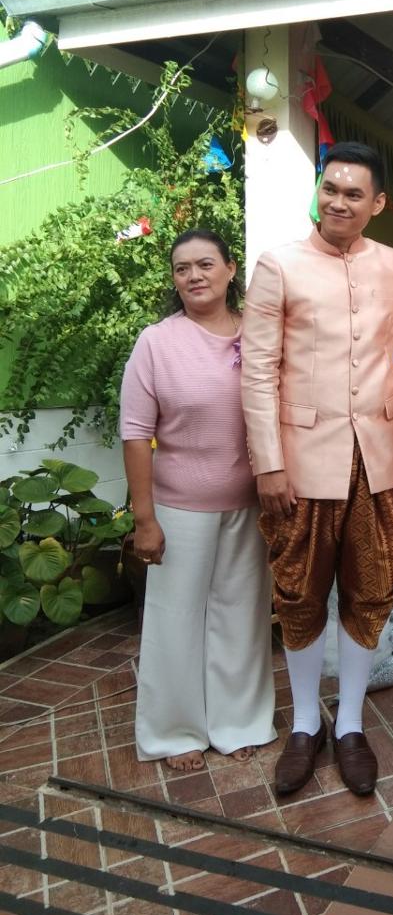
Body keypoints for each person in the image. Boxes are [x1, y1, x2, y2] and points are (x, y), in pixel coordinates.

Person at [241, 142, 393, 799]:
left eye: (353, 194)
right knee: (299, 593)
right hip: (301, 463)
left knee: (371, 591)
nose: (338, 202)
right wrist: (268, 464)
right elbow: (257, 371)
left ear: (377, 204)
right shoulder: (278, 264)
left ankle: (350, 725)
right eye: (330, 189)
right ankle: (305, 725)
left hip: (379, 459)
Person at [121, 229, 276, 772]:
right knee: (176, 620)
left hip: (250, 505)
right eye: (182, 268)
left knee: (242, 618)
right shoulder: (156, 342)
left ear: (231, 269)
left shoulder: (259, 335)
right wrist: (144, 519)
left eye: (206, 264)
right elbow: (135, 433)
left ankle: (239, 722)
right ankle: (173, 732)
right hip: (179, 509)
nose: (194, 276)